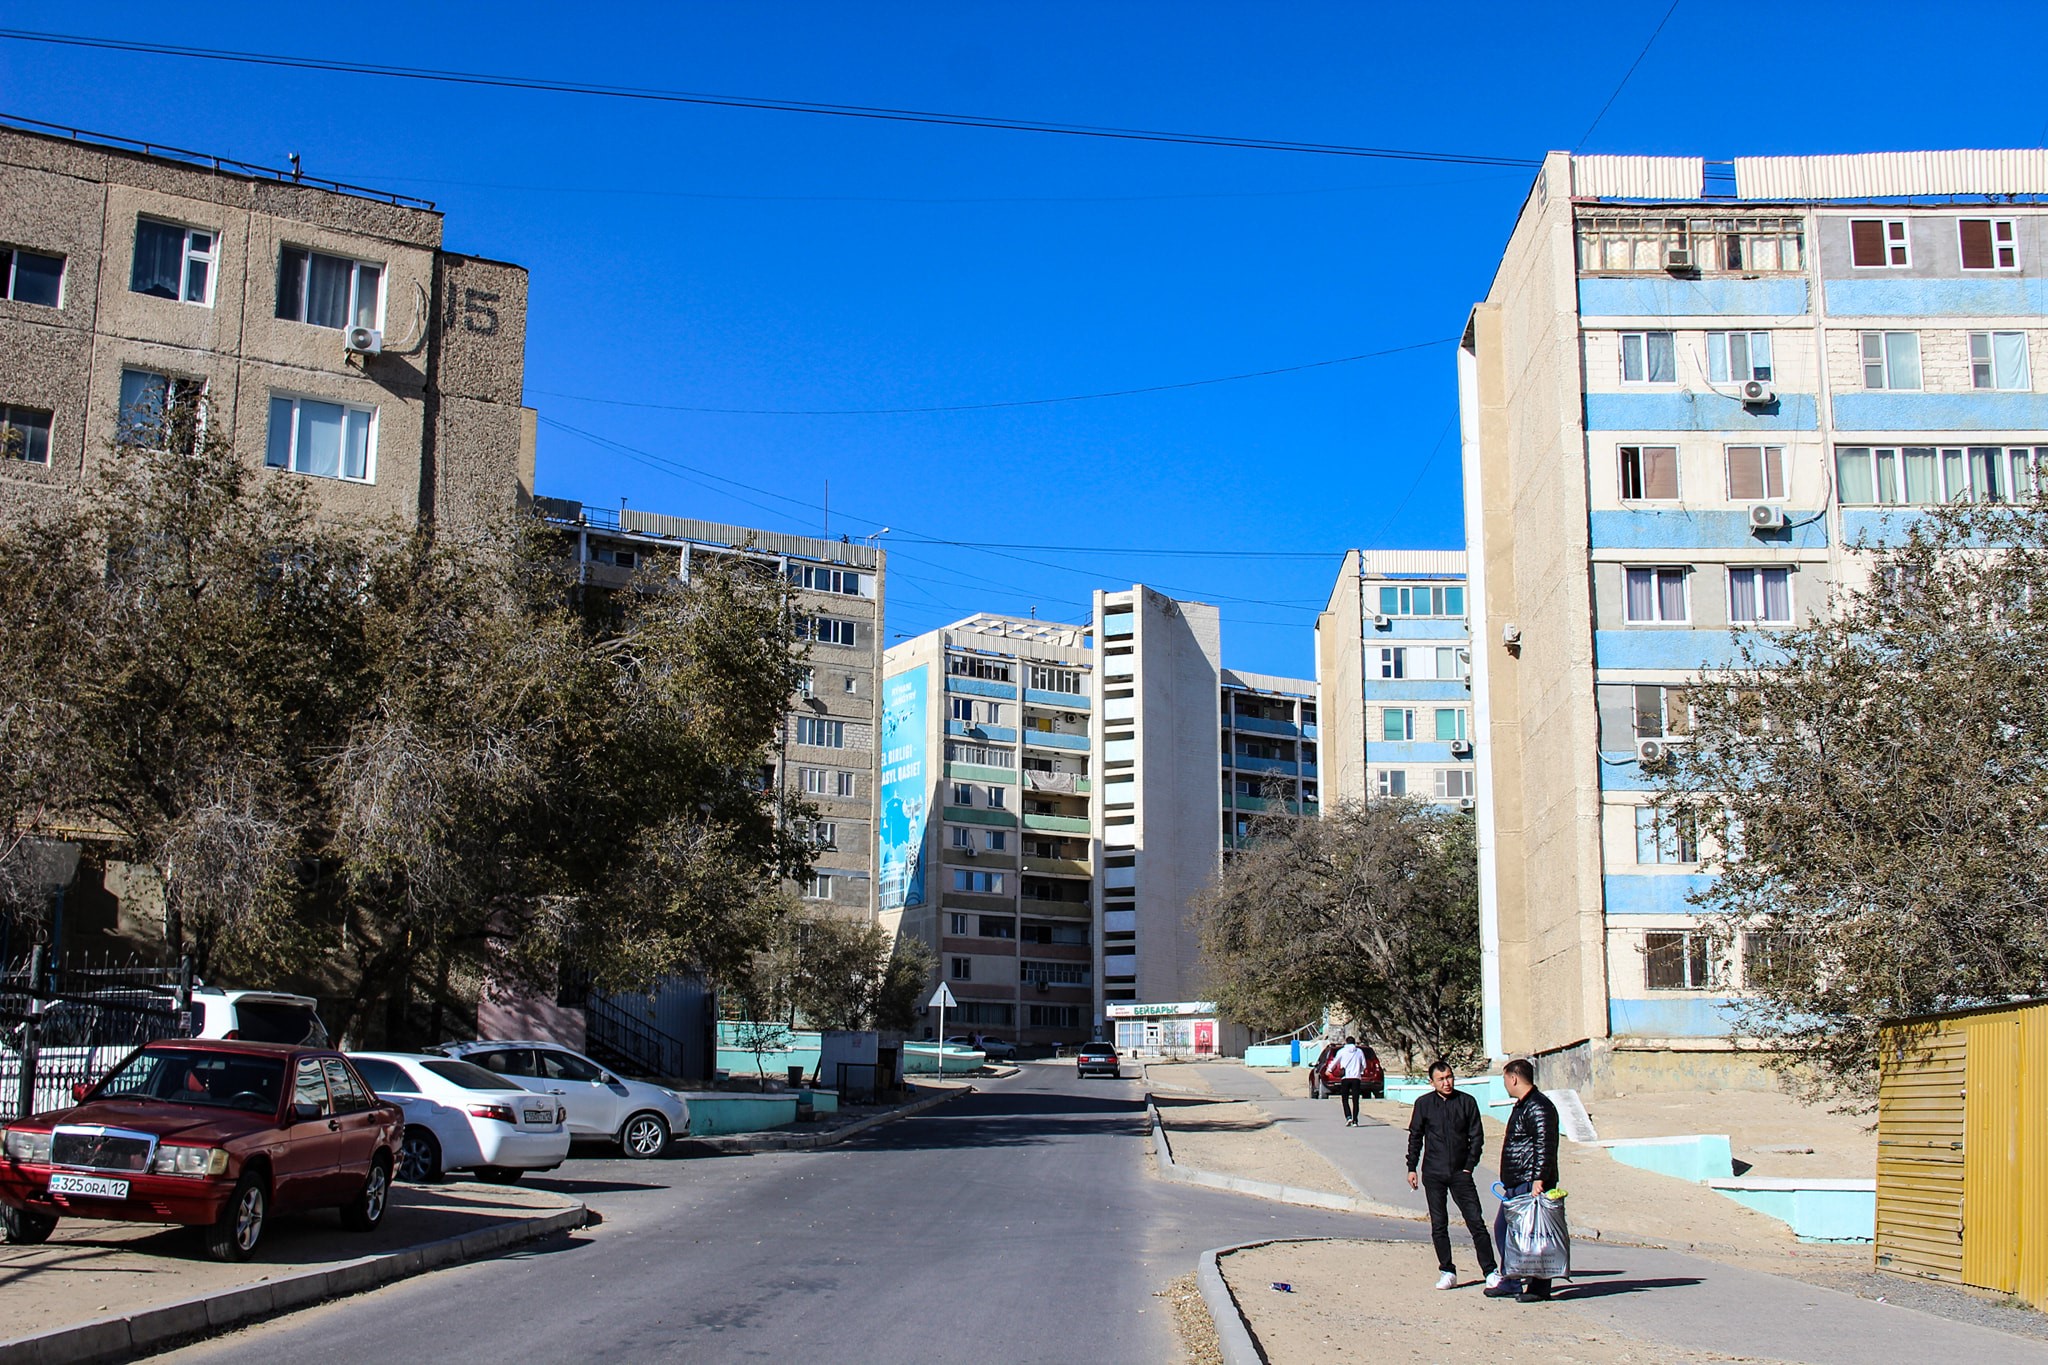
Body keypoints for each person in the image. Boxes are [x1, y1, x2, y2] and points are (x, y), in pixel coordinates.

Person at [1405, 1060, 1500, 1291]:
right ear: (1432, 1082)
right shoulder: (1424, 1104)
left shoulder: (1466, 1102)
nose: (1447, 1082)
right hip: (1434, 1173)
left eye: (1449, 1077)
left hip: (1461, 1173)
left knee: (1476, 1222)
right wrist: (1411, 1167)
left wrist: (1469, 1165)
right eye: (1441, 1079)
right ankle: (1447, 1270)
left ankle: (1490, 1271)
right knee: (1439, 1224)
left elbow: (1476, 1136)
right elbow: (1415, 1136)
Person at [1486, 1058, 1561, 1303]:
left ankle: (1539, 1287)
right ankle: (1511, 1279)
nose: (1505, 1083)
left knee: (1536, 1235)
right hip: (1517, 1180)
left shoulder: (1539, 1106)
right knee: (1505, 1230)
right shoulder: (1523, 1105)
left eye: (1505, 1078)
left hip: (1531, 1183)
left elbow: (1545, 1145)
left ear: (1514, 1078)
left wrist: (1539, 1178)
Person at [1332, 1036, 1369, 1125]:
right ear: (1354, 1042)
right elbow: (1364, 1064)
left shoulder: (1342, 1051)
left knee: (1345, 1099)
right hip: (1356, 1078)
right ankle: (1355, 1120)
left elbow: (1335, 1061)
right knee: (1355, 1100)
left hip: (1345, 1078)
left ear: (1346, 1042)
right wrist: (1360, 1071)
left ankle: (1348, 1117)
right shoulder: (1359, 1052)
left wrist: (1329, 1070)